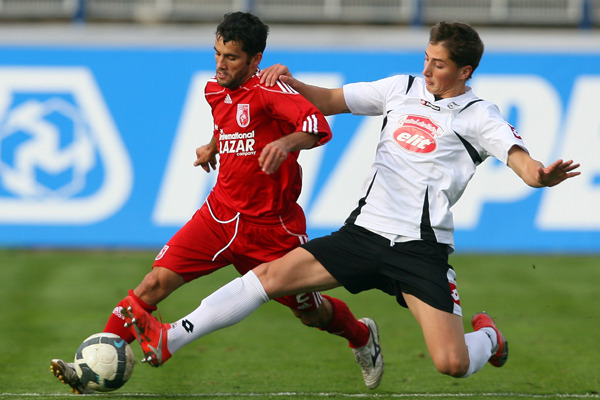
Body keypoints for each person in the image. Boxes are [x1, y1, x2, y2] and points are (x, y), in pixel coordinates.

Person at [121, 21, 581, 382]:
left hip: (419, 249)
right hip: (363, 234)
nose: (427, 71)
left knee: (451, 363)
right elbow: (332, 101)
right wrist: (291, 81)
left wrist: (541, 176)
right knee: (269, 276)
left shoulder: (481, 116)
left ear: (465, 71)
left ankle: (489, 337)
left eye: (439, 65)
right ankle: (172, 338)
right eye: (426, 58)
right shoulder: (402, 89)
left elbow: (520, 159)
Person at [50, 12, 384, 394]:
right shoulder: (214, 90)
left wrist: (284, 143)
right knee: (152, 285)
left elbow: (316, 127)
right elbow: (228, 118)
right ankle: (88, 368)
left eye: (231, 57)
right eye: (217, 54)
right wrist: (213, 144)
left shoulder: (272, 91)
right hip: (217, 217)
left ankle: (361, 335)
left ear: (255, 60)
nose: (220, 65)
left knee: (313, 313)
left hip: (271, 231)